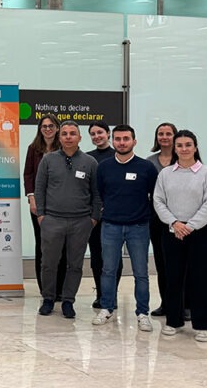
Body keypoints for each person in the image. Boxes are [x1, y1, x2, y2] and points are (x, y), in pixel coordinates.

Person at [153, 129, 207, 341]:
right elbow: (158, 201)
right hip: (172, 232)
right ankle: (173, 320)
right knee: (172, 277)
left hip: (199, 233)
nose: (184, 149)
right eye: (179, 145)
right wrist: (174, 223)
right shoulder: (165, 174)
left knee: (202, 279)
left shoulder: (206, 173)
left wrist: (189, 226)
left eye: (188, 145)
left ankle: (204, 324)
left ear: (195, 147)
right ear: (175, 148)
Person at [91, 125, 158, 332]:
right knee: (108, 270)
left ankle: (142, 313)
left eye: (126, 139)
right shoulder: (104, 167)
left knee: (141, 273)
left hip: (138, 226)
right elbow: (100, 192)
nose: (122, 142)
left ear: (134, 142)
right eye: (118, 139)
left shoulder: (146, 167)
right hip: (110, 225)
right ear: (113, 141)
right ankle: (106, 307)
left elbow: (154, 195)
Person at [34, 120, 100, 319]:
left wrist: (94, 218)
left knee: (75, 264)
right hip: (52, 220)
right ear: (59, 137)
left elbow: (96, 193)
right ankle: (48, 299)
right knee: (49, 263)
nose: (68, 137)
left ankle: (68, 301)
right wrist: (42, 215)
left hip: (81, 222)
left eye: (73, 133)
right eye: (64, 134)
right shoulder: (48, 160)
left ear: (79, 138)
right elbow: (39, 189)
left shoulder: (90, 162)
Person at [24, 115, 66, 300]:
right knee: (42, 245)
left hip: (61, 205)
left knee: (62, 246)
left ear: (57, 128)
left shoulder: (65, 149)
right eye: (44, 126)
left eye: (51, 126)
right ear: (40, 129)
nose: (47, 129)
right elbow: (28, 175)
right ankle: (45, 289)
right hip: (39, 205)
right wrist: (32, 199)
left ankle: (61, 289)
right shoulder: (33, 149)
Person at [86, 121, 119, 310]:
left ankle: (112, 295)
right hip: (94, 216)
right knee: (97, 256)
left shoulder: (118, 156)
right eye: (93, 133)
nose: (97, 136)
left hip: (115, 215)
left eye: (100, 132)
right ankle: (101, 294)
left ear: (108, 134)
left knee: (114, 258)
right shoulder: (87, 158)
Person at [146, 122, 178, 317]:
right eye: (161, 134)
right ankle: (166, 302)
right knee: (161, 260)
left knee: (181, 262)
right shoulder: (149, 162)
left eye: (168, 133)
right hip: (156, 219)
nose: (164, 137)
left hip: (181, 218)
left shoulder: (183, 158)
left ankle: (184, 304)